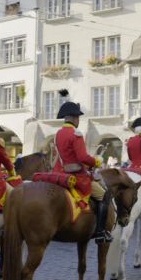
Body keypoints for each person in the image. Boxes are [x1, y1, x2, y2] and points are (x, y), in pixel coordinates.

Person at [52, 90, 108, 242]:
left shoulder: (57, 134)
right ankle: (101, 231)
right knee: (104, 196)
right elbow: (82, 157)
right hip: (76, 175)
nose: (79, 121)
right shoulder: (76, 134)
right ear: (75, 118)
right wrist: (96, 161)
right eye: (78, 118)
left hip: (59, 174)